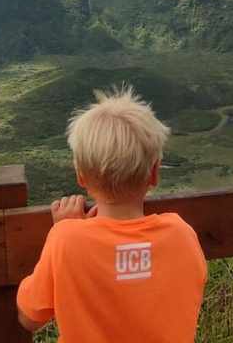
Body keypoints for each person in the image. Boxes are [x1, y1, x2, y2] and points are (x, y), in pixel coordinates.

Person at [16, 85, 207, 342]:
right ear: (154, 173)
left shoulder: (66, 239)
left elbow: (29, 318)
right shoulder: (181, 235)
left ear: (81, 176)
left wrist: (65, 229)